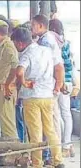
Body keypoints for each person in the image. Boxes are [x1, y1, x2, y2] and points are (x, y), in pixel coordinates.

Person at [13, 27, 64, 168]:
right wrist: (58, 84)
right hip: (48, 95)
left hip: (32, 97)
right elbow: (58, 66)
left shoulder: (26, 54)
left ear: (20, 43)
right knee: (50, 129)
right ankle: (58, 160)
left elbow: (19, 71)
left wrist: (24, 82)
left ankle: (37, 163)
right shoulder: (46, 50)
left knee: (35, 133)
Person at [49, 18, 75, 157]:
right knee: (66, 113)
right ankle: (68, 144)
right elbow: (69, 64)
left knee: (56, 114)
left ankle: (60, 145)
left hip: (58, 81)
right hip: (68, 81)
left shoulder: (53, 42)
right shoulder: (66, 42)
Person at [0, 20, 18, 138]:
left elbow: (15, 65)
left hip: (5, 90)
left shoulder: (8, 46)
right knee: (4, 124)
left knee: (8, 125)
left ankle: (14, 152)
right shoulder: (1, 46)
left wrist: (7, 84)